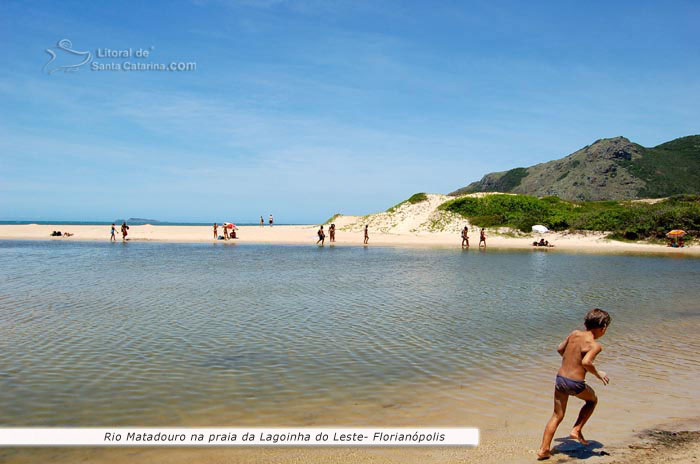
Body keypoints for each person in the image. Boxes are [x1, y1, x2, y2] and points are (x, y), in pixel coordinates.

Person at [537, 308, 612, 460]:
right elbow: (586, 362)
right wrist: (599, 374)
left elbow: (560, 349)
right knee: (592, 400)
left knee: (557, 415)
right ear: (602, 328)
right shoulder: (595, 345)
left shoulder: (574, 334)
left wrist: (571, 358)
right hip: (575, 383)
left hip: (560, 379)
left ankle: (543, 450)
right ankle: (576, 429)